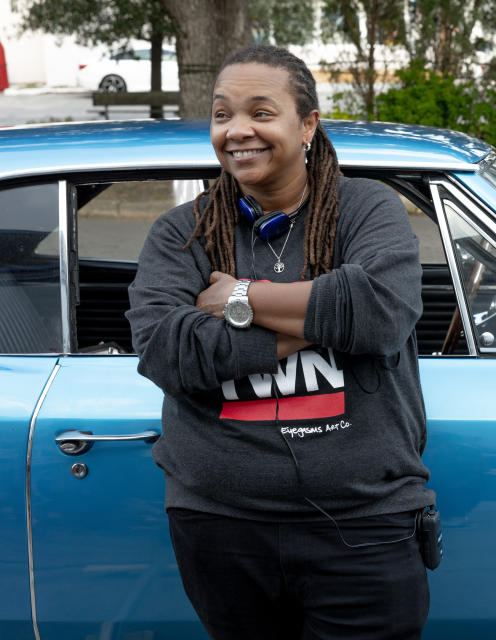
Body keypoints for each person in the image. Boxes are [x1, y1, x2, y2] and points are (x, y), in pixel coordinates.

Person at [126, 44, 434, 640]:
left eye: (261, 112)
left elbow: (379, 314)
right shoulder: (182, 232)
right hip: (220, 530)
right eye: (222, 115)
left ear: (308, 124)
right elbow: (165, 348)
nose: (238, 130)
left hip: (364, 526)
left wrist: (237, 298)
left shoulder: (364, 209)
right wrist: (319, 318)